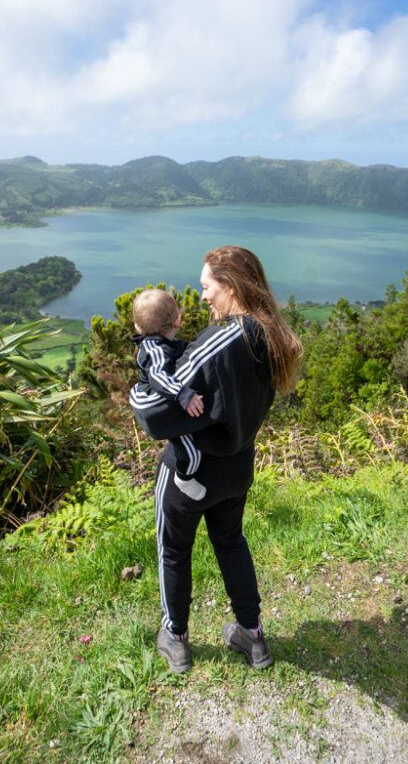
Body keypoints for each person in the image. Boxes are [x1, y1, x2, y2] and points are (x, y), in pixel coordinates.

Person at [129, 245, 303, 674]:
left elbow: (153, 411)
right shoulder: (270, 335)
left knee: (173, 550)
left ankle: (176, 637)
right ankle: (252, 636)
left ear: (230, 286)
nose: (203, 296)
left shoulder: (223, 338)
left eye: (207, 287)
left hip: (193, 472)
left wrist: (134, 392)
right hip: (237, 467)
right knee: (230, 543)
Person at [131, 288, 209, 501]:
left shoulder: (162, 343)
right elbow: (158, 375)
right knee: (192, 454)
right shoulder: (154, 348)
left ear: (138, 326)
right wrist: (184, 394)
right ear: (178, 320)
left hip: (163, 396)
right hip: (153, 400)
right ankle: (183, 479)